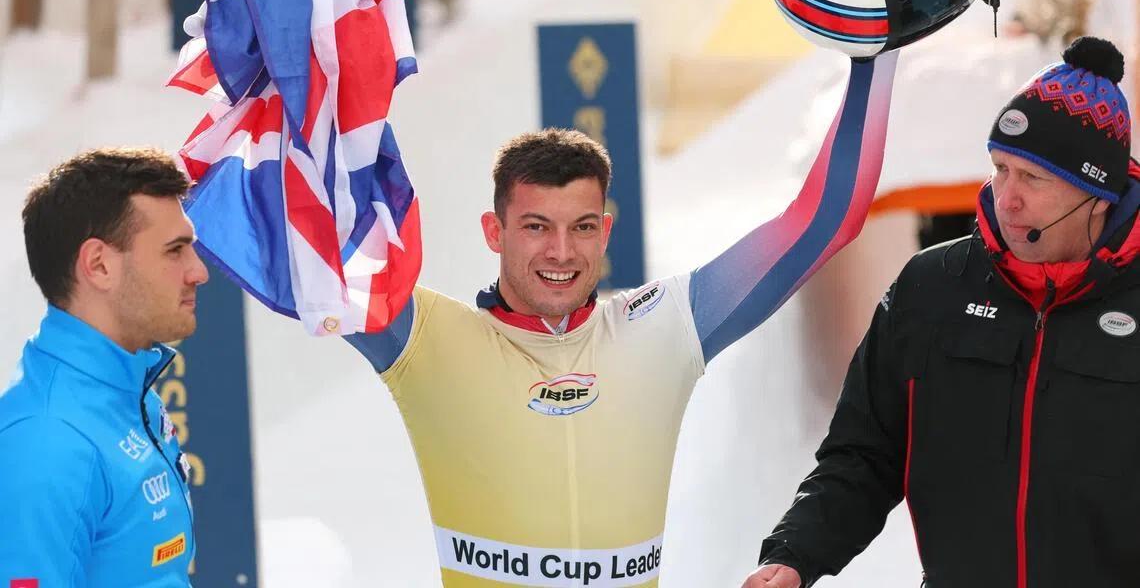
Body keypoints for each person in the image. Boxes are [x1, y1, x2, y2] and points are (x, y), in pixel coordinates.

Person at [334, 51, 900, 586]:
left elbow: (824, 221)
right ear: (493, 231)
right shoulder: (428, 339)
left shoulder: (662, 327)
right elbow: (311, 247)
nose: (561, 251)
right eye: (535, 226)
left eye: (581, 226)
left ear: (604, 232)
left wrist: (878, 54)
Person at [744, 35, 1140, 588]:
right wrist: (794, 554)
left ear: (1097, 194)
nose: (1006, 197)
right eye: (1001, 168)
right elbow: (863, 453)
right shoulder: (930, 289)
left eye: (1033, 179)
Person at [0, 147, 208, 586]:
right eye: (175, 251)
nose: (198, 271)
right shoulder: (48, 438)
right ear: (98, 265)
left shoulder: (126, 384)